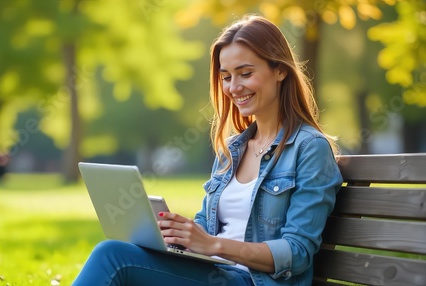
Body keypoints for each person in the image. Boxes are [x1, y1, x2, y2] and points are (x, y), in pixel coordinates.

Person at [72, 15, 343, 286]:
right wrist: (178, 234)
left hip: (257, 282)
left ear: (280, 71)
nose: (234, 88)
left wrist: (214, 245)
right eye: (226, 77)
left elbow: (297, 252)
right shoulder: (232, 150)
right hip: (217, 275)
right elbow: (206, 225)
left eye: (245, 74)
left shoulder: (309, 149)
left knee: (113, 257)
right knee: (116, 252)